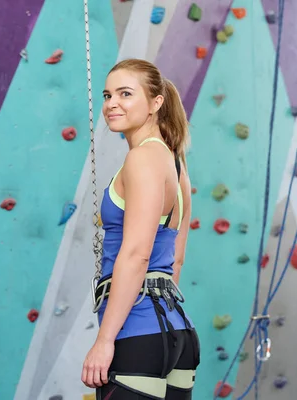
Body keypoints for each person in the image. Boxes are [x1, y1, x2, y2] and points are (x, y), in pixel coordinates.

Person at [81, 59, 200, 400]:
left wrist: (105, 341)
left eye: (125, 94)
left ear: (155, 103)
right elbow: (175, 261)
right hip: (178, 332)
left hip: (138, 332)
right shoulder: (178, 167)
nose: (111, 103)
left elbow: (136, 254)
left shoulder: (143, 158)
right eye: (107, 95)